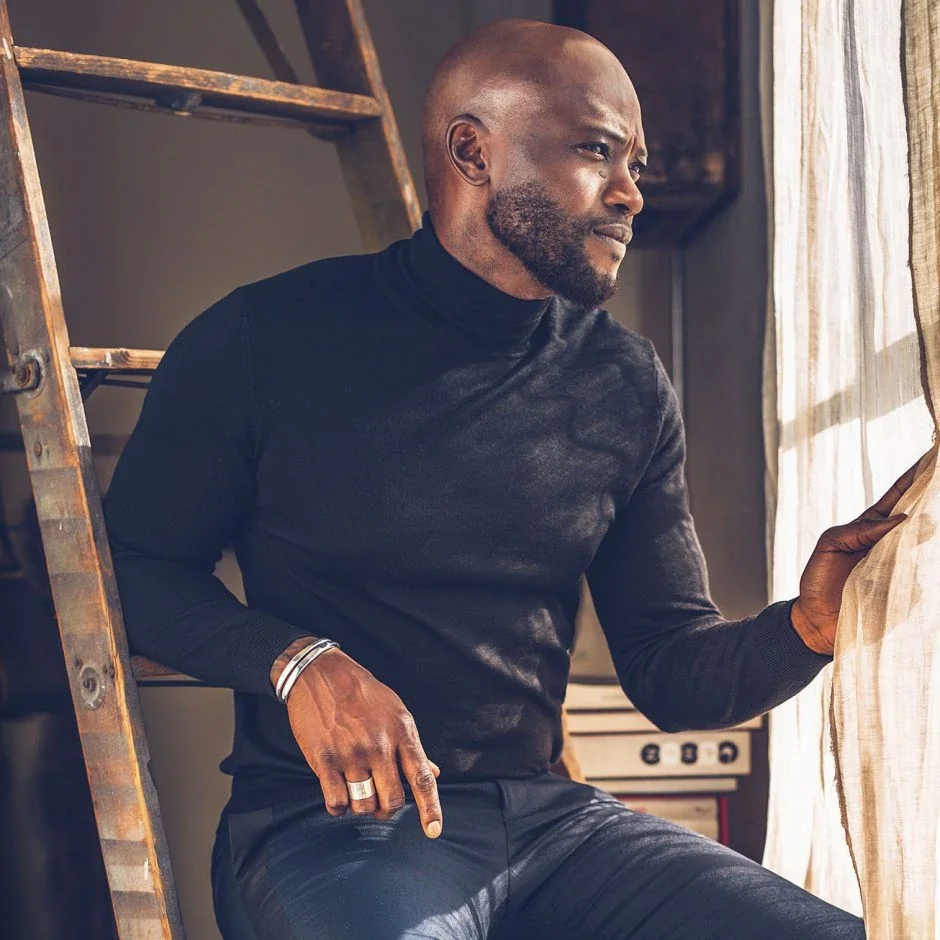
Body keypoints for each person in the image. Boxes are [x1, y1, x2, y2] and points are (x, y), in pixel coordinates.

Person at [104, 18, 915, 940]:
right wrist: (296, 663)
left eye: (636, 165)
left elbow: (670, 668)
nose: (630, 193)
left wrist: (807, 628)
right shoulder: (265, 339)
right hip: (332, 828)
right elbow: (133, 570)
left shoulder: (622, 381)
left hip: (553, 826)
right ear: (474, 153)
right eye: (596, 151)